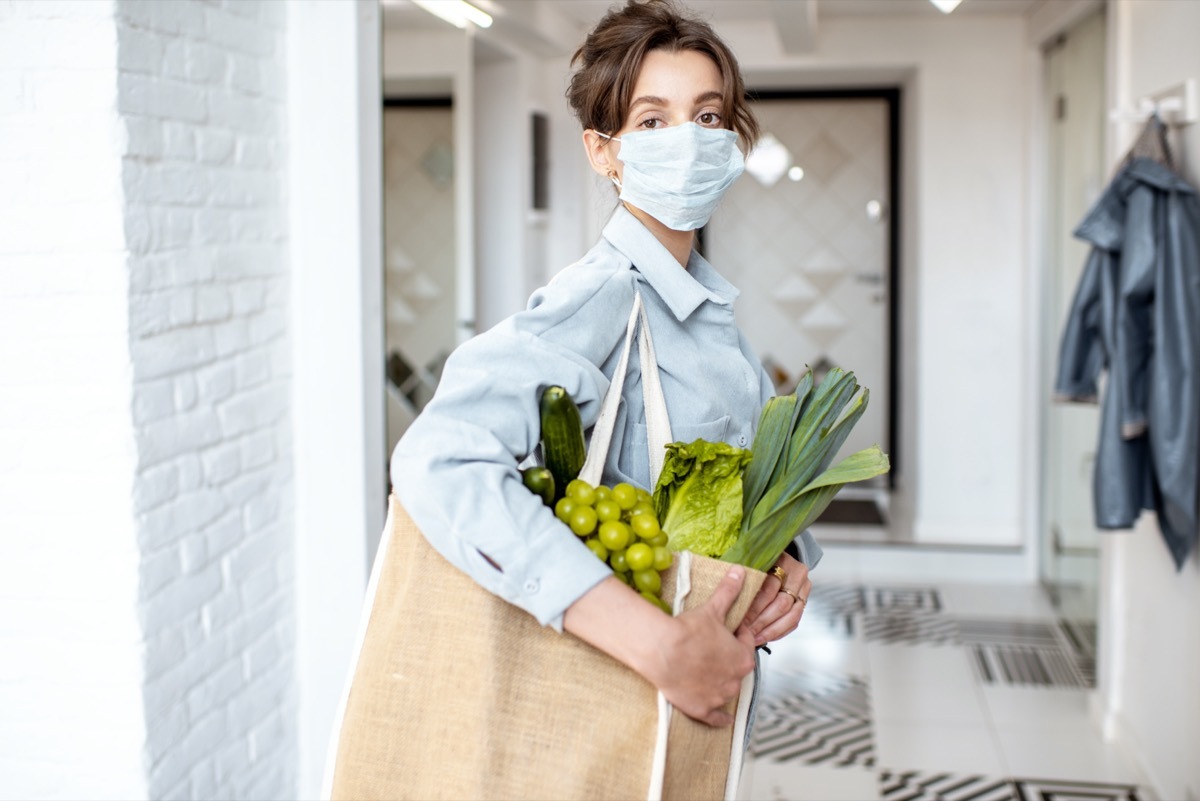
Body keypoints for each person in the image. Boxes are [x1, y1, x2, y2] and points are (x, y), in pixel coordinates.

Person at [390, 0, 818, 729]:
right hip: (623, 693)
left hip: (701, 691)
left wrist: (787, 549)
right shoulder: (604, 294)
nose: (688, 140)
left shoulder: (704, 304)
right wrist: (652, 641)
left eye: (709, 117)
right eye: (653, 121)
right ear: (603, 151)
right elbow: (438, 459)